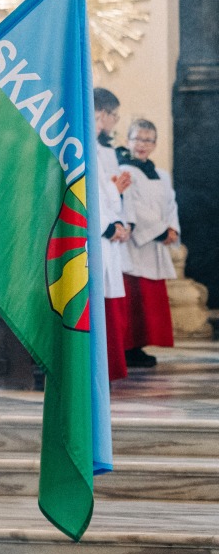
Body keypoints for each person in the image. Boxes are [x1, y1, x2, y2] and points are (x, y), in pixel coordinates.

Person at [118, 118, 180, 367]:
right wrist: (160, 231)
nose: (142, 145)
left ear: (154, 144)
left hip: (155, 246)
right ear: (127, 141)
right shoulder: (123, 170)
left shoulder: (162, 175)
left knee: (149, 301)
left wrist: (172, 228)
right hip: (136, 245)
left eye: (148, 140)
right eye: (137, 139)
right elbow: (133, 207)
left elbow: (171, 204)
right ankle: (128, 348)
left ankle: (139, 346)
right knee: (133, 297)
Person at [94, 87, 132, 381]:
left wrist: (119, 224)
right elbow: (87, 190)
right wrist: (109, 225)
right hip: (94, 234)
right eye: (113, 115)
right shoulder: (85, 146)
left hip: (107, 230)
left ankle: (109, 364)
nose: (113, 121)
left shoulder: (103, 149)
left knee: (108, 302)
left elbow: (105, 190)